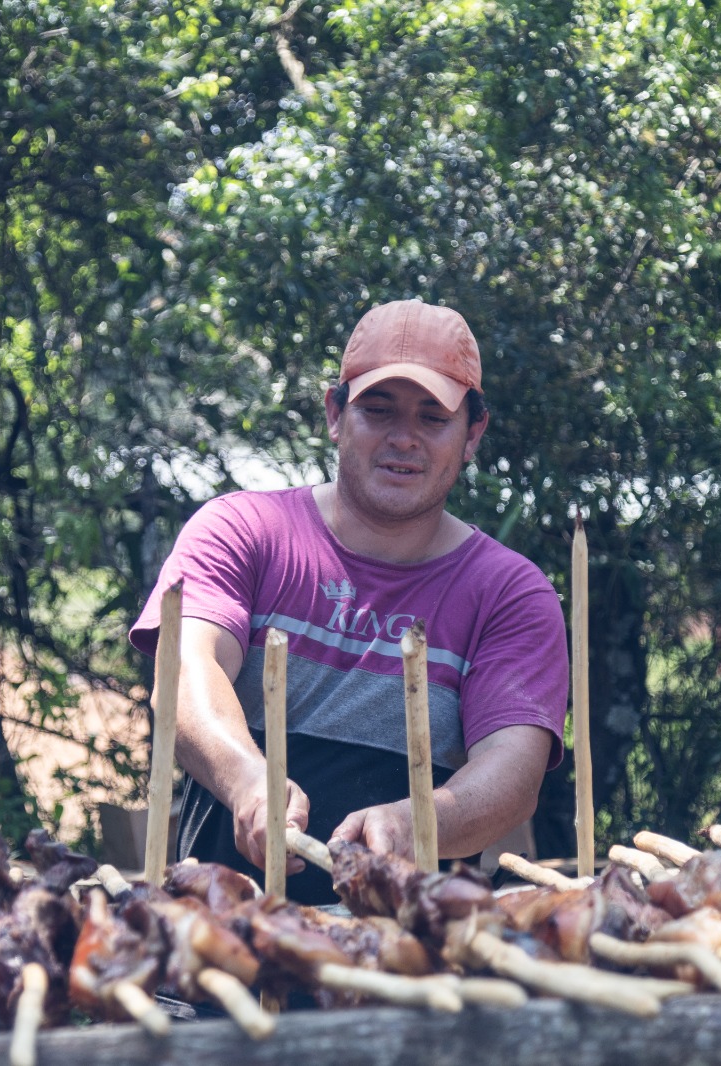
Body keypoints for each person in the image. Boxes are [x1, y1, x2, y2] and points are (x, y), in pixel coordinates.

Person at [130, 300, 569, 903]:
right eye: (378, 409)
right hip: (218, 943)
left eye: (432, 418)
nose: (403, 439)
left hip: (413, 960)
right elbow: (183, 672)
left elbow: (514, 775)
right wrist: (247, 779)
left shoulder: (511, 594)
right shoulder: (241, 530)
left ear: (472, 435)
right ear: (336, 415)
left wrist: (421, 822)